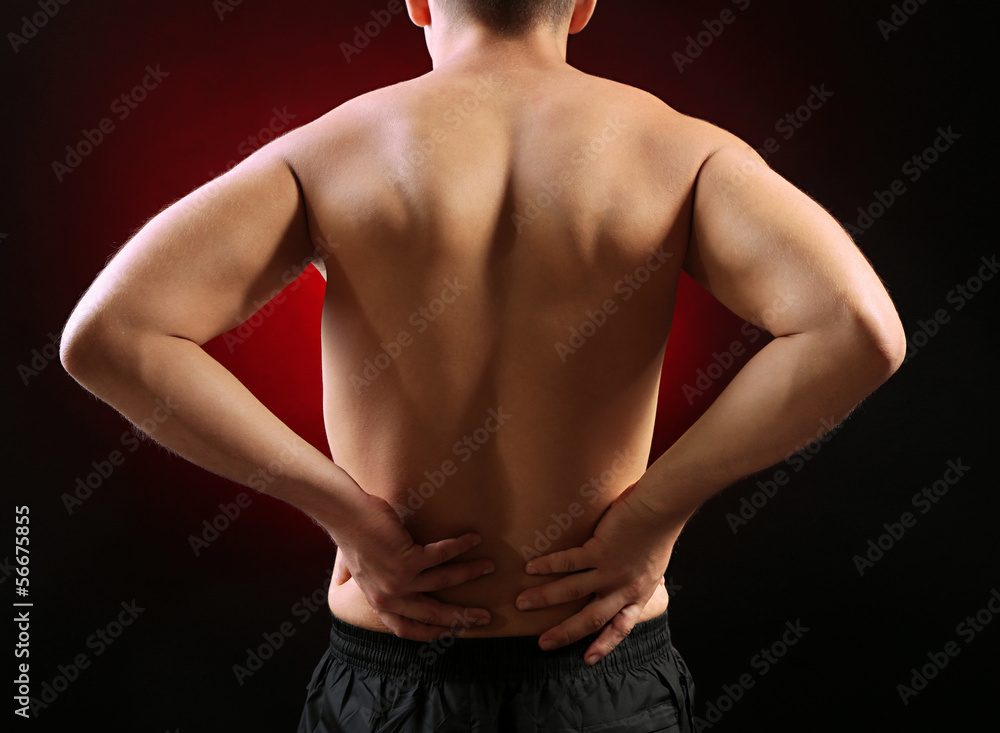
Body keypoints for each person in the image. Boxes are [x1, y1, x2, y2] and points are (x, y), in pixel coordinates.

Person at [59, 0, 906, 729]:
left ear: (419, 2)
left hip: (394, 679)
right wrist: (655, 511)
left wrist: (344, 513)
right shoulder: (680, 152)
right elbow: (860, 328)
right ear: (582, 4)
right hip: (597, 677)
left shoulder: (330, 152)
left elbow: (110, 335)